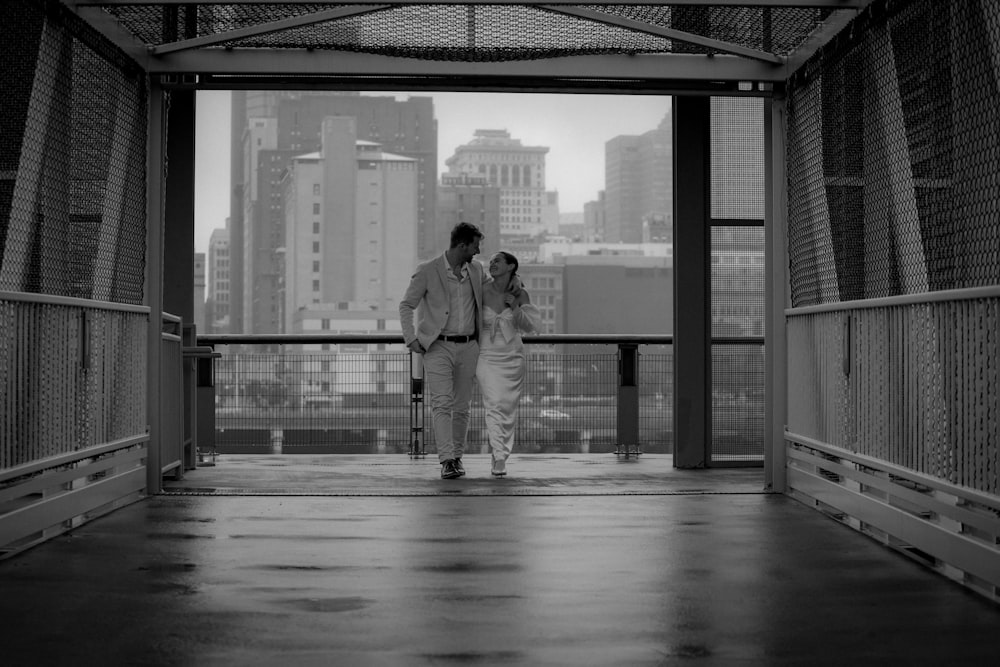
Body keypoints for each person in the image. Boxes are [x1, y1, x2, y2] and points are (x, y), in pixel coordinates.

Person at [398, 222, 490, 480]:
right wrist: (411, 338)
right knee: (441, 404)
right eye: (475, 245)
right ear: (462, 245)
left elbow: (492, 291)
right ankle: (447, 460)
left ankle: (457, 457)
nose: (477, 250)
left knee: (462, 407)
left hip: (470, 346)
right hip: (438, 347)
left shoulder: (476, 270)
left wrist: (516, 284)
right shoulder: (428, 270)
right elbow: (406, 305)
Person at [476, 251, 542, 477]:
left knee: (507, 407)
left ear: (511, 266)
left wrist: (514, 307)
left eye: (498, 261)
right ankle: (499, 455)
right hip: (486, 355)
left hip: (512, 356)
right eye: (491, 261)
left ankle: (499, 454)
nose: (492, 264)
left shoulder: (520, 293)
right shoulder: (481, 289)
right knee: (493, 403)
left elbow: (531, 326)